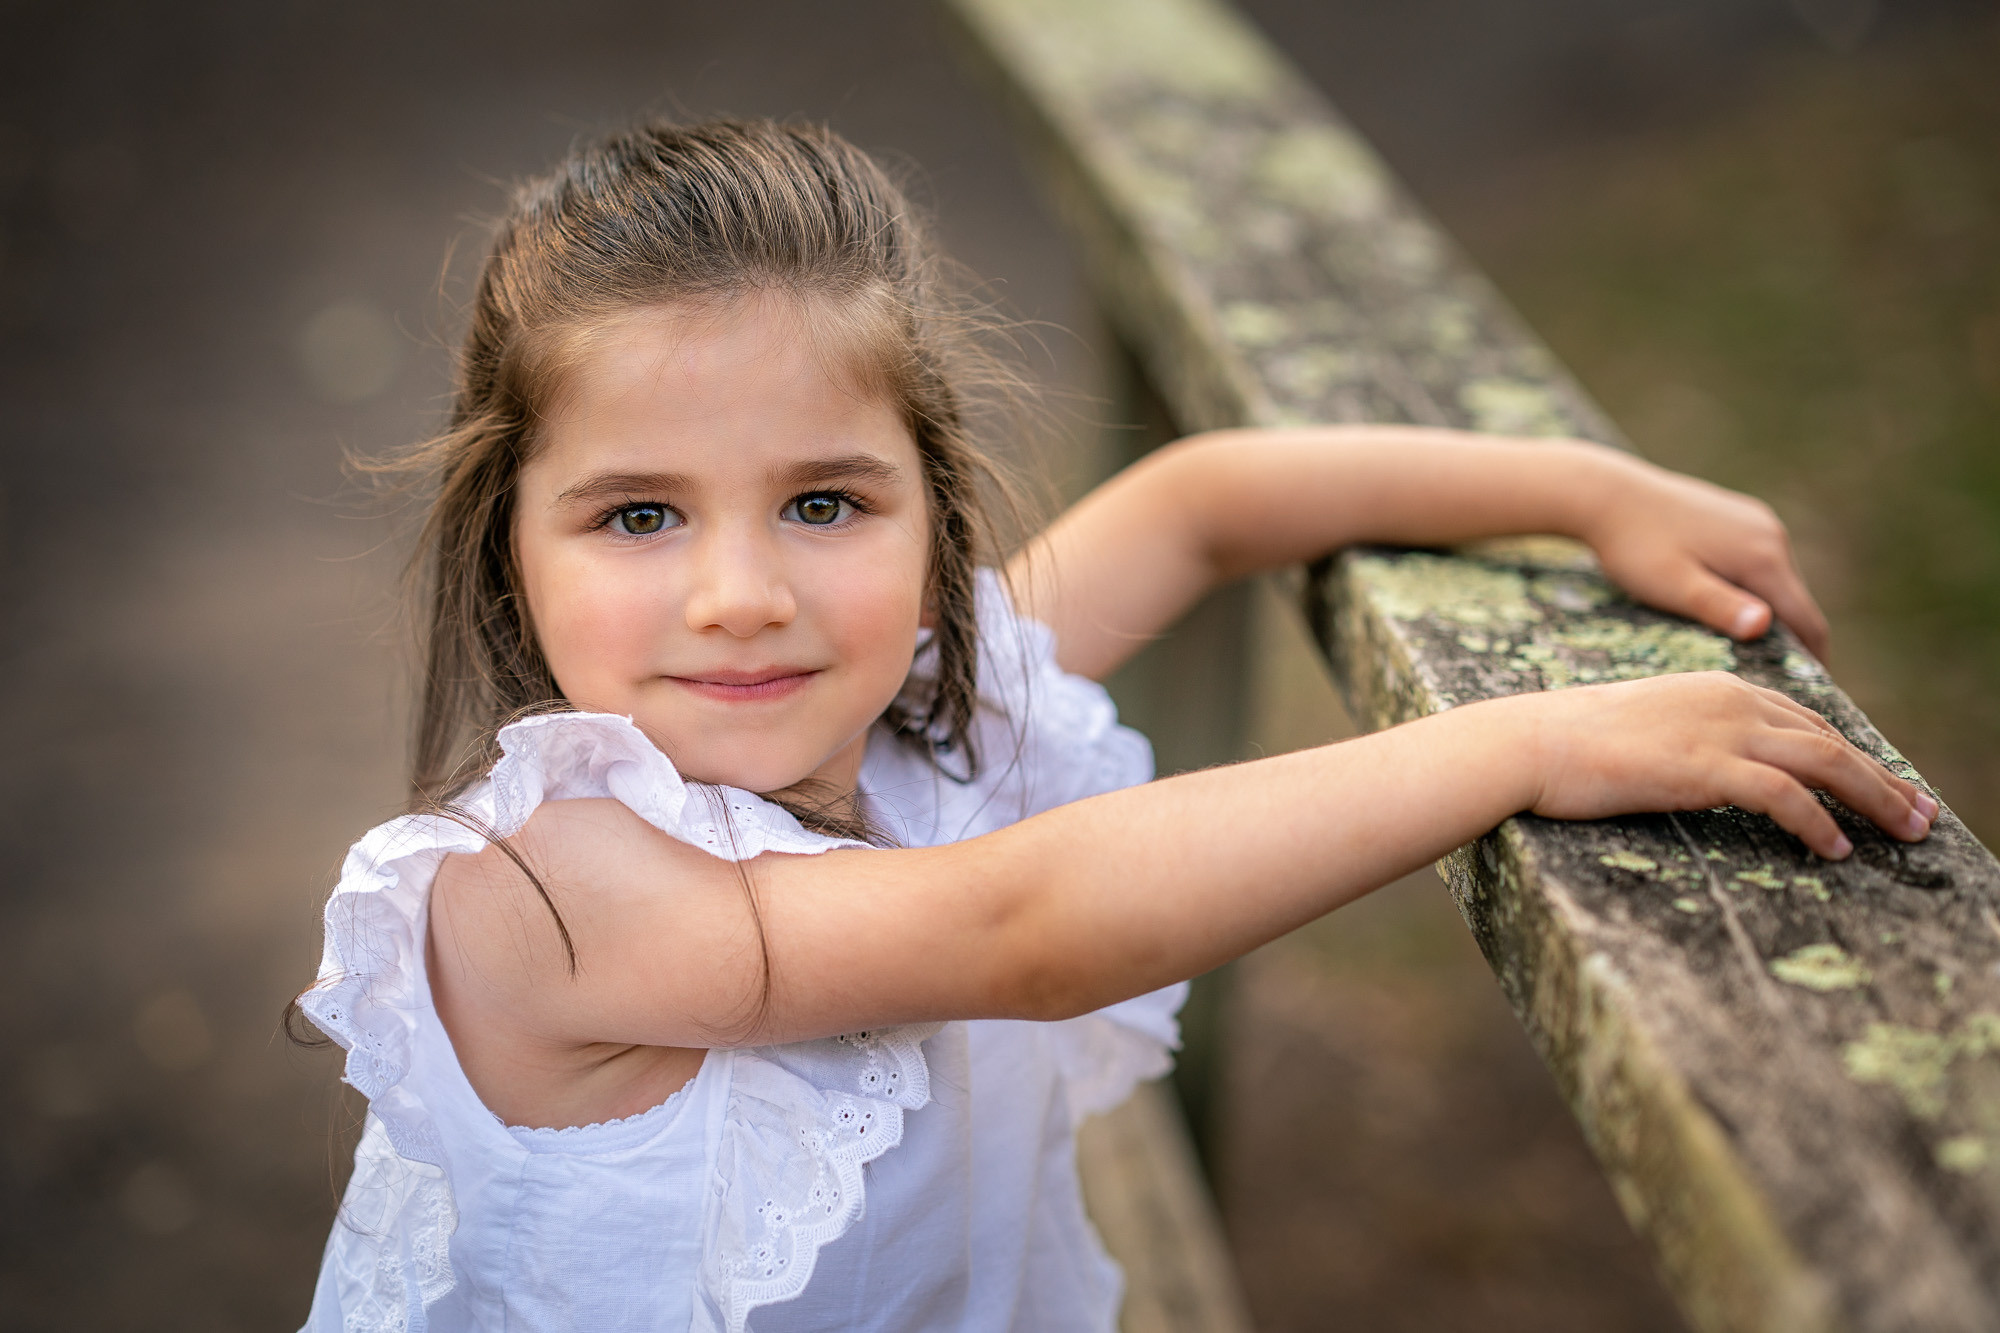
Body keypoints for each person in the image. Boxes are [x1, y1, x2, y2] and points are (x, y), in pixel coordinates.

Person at [292, 118, 1934, 1333]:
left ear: (931, 505)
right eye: (639, 515)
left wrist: (1591, 493)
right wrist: (1519, 743)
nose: (741, 592)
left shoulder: (919, 705)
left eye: (820, 500)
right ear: (510, 536)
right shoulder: (549, 895)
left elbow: (1209, 501)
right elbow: (1029, 928)